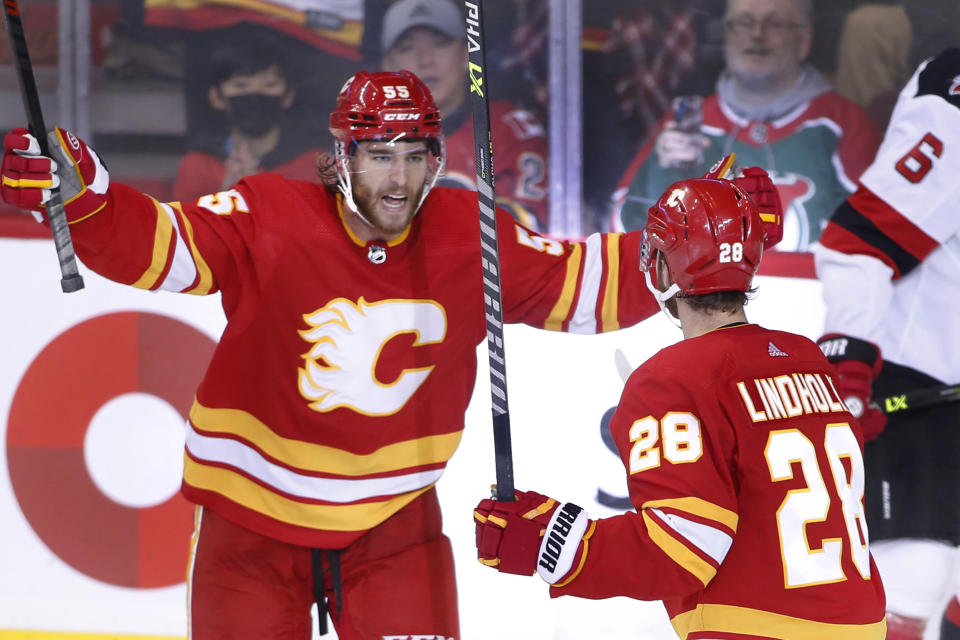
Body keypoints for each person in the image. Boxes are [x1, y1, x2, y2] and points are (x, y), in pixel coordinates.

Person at [0, 70, 673, 639]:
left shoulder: (471, 235)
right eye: (381, 154)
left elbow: (590, 285)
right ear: (341, 157)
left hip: (395, 525)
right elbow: (164, 246)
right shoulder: (269, 215)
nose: (401, 177)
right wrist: (88, 199)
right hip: (250, 526)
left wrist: (697, 233)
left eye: (417, 154)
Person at [472, 174, 887, 638]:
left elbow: (680, 550)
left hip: (756, 628)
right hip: (864, 623)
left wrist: (551, 539)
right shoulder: (806, 357)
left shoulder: (671, 380)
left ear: (665, 271)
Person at [813, 47, 960, 640]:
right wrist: (848, 370)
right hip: (925, 390)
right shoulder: (954, 93)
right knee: (904, 599)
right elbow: (863, 240)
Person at [610, 0, 881, 251]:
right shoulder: (688, 123)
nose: (756, 34)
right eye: (743, 22)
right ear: (726, 35)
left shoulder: (844, 124)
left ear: (804, 41)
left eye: (775, 24)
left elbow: (883, 237)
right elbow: (622, 238)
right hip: (707, 301)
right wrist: (662, 171)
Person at [380, 0, 550, 232]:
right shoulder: (368, 144)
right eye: (407, 48)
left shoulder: (508, 130)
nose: (425, 60)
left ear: (466, 55)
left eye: (440, 44)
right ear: (388, 66)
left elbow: (531, 233)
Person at [172, 32, 322, 202]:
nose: (255, 95)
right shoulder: (197, 166)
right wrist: (223, 203)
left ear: (288, 95)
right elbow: (184, 226)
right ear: (216, 97)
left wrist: (257, 199)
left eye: (270, 85)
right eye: (240, 85)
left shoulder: (313, 166)